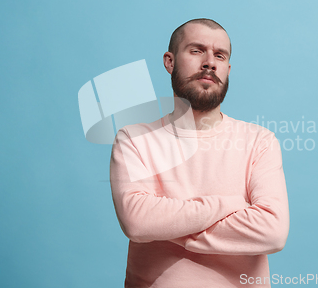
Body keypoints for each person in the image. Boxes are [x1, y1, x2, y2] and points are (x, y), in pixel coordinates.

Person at [110, 18, 289, 287]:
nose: (209, 62)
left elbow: (272, 232)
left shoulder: (259, 141)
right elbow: (137, 222)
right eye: (196, 51)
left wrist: (166, 225)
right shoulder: (134, 139)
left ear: (227, 69)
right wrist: (230, 205)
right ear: (169, 62)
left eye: (219, 55)